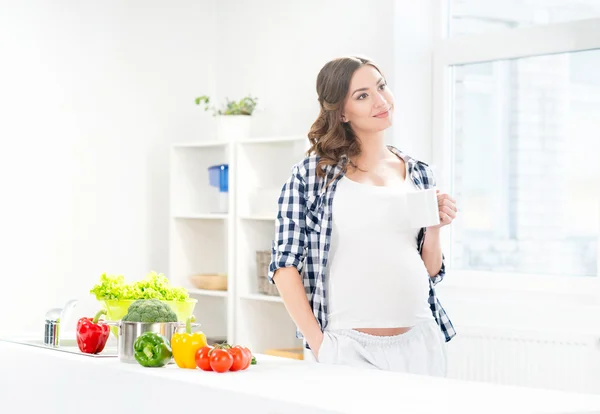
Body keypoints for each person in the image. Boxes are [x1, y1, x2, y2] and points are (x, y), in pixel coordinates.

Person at [268, 56, 457, 377]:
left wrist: (435, 228)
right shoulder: (311, 176)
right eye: (362, 95)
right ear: (341, 112)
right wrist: (319, 343)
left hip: (421, 340)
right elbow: (283, 266)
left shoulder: (420, 173)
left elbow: (430, 269)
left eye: (381, 87)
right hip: (346, 345)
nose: (381, 100)